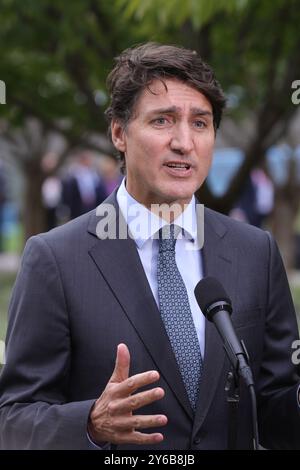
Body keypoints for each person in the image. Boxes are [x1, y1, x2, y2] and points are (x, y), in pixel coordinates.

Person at [0, 43, 299, 450]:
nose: (183, 142)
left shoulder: (255, 252)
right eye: (162, 121)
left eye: (200, 123)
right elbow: (14, 419)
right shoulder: (55, 259)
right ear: (119, 133)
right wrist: (90, 424)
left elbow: (273, 408)